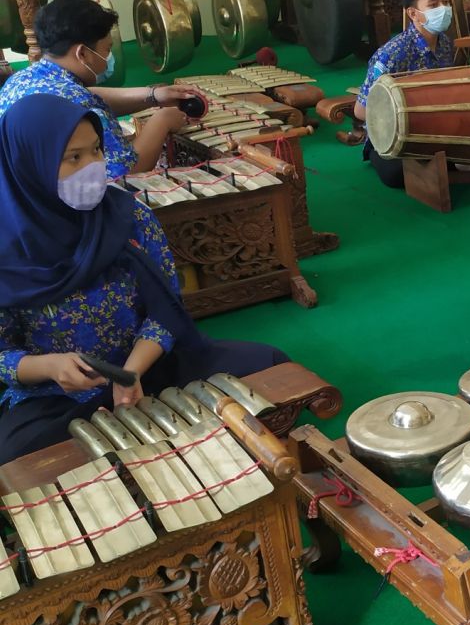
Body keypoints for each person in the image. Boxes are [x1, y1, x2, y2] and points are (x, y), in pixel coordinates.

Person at [0, 96, 289, 464]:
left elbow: (166, 309)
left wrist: (131, 372)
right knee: (15, 457)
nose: (94, 167)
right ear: (30, 165)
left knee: (272, 366)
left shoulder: (128, 216)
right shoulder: (5, 247)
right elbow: (3, 354)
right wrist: (51, 367)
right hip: (57, 395)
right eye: (73, 157)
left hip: (147, 368)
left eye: (96, 151)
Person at [0, 0, 199, 180]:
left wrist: (153, 95)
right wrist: (161, 122)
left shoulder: (24, 79)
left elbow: (88, 97)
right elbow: (124, 174)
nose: (108, 58)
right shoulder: (77, 101)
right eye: (107, 49)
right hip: (61, 211)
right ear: (82, 54)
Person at [354, 0, 456, 188]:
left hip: (433, 128)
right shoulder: (391, 54)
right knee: (398, 175)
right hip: (394, 135)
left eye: (446, 2)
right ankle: (373, 154)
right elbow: (362, 111)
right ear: (413, 13)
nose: (444, 9)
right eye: (434, 4)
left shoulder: (445, 44)